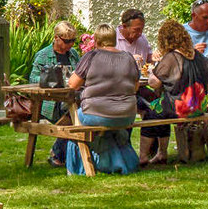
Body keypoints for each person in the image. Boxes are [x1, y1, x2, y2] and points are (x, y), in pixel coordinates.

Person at [65, 24, 140, 175]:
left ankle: (77, 169)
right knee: (110, 130)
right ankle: (116, 162)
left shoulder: (91, 56)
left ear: (96, 40)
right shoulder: (128, 57)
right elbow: (135, 87)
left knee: (73, 125)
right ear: (114, 39)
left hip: (96, 113)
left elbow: (73, 84)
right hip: (127, 115)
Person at [139, 19, 208, 165]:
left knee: (151, 113)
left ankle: (143, 156)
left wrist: (151, 73)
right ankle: (161, 153)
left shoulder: (172, 57)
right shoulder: (197, 55)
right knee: (159, 108)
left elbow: (154, 83)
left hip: (181, 107)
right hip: (199, 106)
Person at [27, 20, 81, 167]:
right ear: (56, 38)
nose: (70, 44)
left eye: (73, 41)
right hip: (52, 102)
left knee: (80, 109)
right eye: (67, 41)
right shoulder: (43, 55)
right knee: (74, 113)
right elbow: (33, 78)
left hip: (71, 98)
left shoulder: (74, 54)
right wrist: (53, 79)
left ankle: (59, 153)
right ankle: (57, 153)